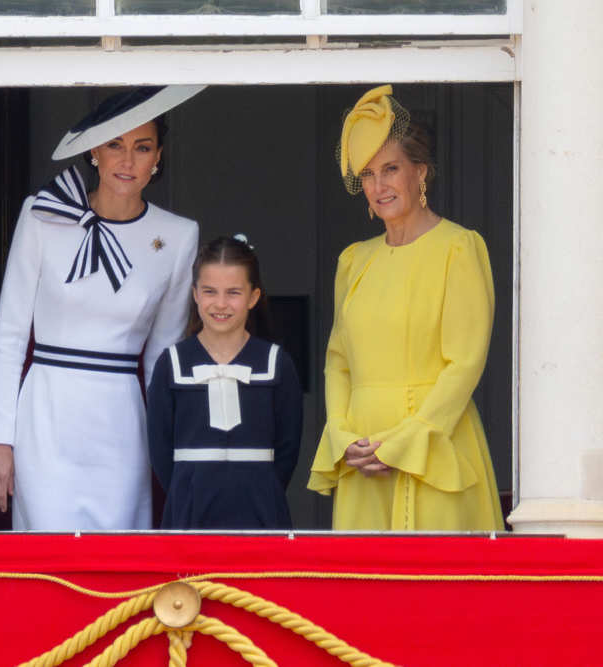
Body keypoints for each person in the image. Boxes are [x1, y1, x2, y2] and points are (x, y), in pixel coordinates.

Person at [0, 86, 204, 531]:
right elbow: (9, 333)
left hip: (121, 423)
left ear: (158, 156)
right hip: (46, 412)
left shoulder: (178, 235)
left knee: (119, 560)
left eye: (142, 147)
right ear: (94, 152)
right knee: (46, 557)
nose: (127, 160)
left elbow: (162, 356)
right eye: (114, 145)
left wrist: (173, 442)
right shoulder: (43, 216)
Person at [308, 85, 504, 531]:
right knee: (363, 593)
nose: (379, 186)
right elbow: (338, 362)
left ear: (421, 172)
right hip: (363, 456)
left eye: (391, 169)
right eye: (369, 174)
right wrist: (342, 433)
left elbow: (465, 363)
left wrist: (408, 441)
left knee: (438, 594)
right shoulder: (353, 260)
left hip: (432, 450)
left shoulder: (458, 247)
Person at [147, 236, 302, 530]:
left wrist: (261, 488)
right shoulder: (172, 364)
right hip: (189, 513)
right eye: (209, 291)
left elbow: (287, 449)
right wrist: (188, 490)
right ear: (195, 294)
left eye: (233, 293)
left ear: (253, 297)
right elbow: (160, 451)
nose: (220, 304)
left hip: (261, 512)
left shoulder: (276, 363)